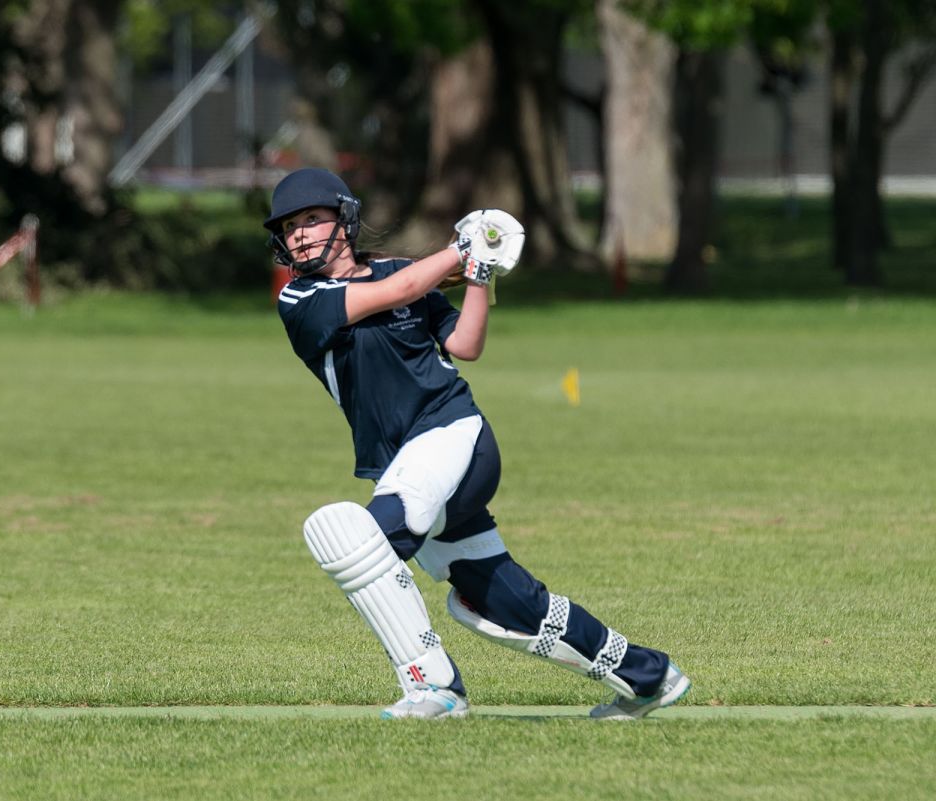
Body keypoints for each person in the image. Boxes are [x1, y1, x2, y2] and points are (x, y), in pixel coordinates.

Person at [267, 167, 691, 720]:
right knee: (500, 605)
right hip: (409, 462)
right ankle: (648, 675)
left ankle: (433, 688)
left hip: (452, 434)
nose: (300, 233)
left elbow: (465, 344)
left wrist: (477, 272)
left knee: (353, 537)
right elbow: (397, 291)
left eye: (312, 219)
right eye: (291, 226)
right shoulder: (302, 299)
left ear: (344, 220)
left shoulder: (404, 272)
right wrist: (461, 253)